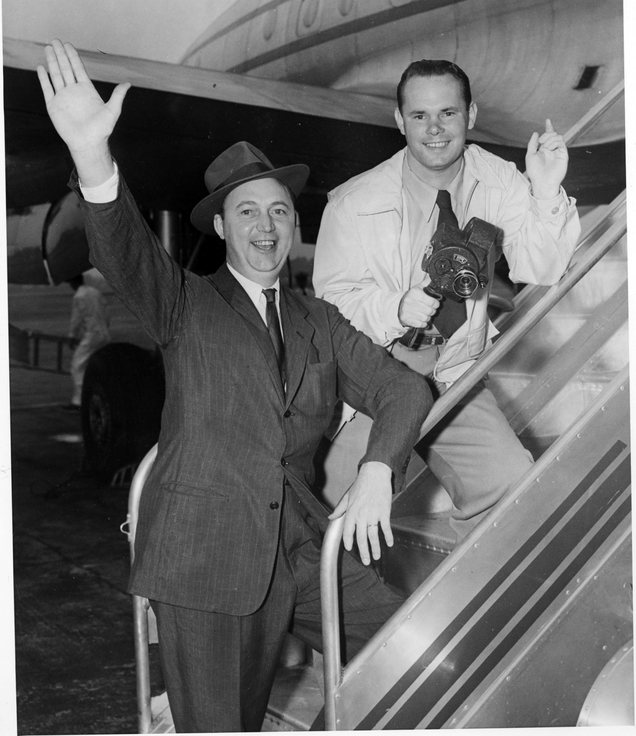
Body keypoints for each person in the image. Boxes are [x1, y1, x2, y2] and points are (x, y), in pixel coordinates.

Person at [37, 40, 433, 733]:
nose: (266, 227)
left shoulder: (319, 318)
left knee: (416, 649)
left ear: (295, 226)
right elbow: (126, 250)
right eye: (248, 212)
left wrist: (376, 469)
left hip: (304, 549)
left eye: (280, 212)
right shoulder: (184, 303)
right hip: (207, 556)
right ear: (221, 227)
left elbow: (403, 389)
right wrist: (93, 157)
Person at [313, 59, 581, 537]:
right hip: (372, 370)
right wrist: (394, 307)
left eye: (448, 114)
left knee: (512, 485)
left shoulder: (499, 180)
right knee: (324, 511)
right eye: (419, 116)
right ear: (399, 121)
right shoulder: (353, 202)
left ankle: (474, 606)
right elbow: (330, 305)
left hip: (451, 367)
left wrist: (544, 187)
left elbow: (541, 266)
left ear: (471, 115)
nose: (434, 129)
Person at [66, 273, 111, 409]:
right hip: (104, 334)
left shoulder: (79, 296)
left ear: (73, 283)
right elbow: (106, 312)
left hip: (92, 335)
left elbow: (76, 319)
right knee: (95, 367)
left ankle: (79, 401)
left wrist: (72, 336)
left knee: (77, 366)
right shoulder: (95, 292)